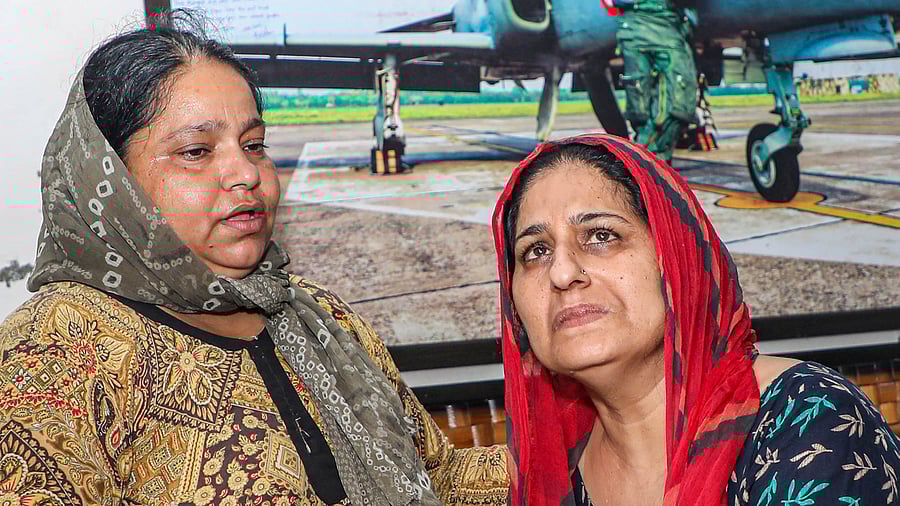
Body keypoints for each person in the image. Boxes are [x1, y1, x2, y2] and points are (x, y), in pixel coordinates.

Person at [0, 12, 507, 506]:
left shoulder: (321, 316)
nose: (246, 173)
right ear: (107, 178)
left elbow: (438, 478)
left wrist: (564, 455)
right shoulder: (55, 351)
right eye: (196, 151)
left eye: (254, 145)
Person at [491, 134, 899, 505]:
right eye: (536, 251)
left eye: (601, 235)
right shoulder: (550, 472)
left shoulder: (808, 418)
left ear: (676, 257)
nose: (562, 272)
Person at [611, 0, 698, 164]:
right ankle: (646, 164)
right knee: (653, 109)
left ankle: (647, 162)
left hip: (666, 25)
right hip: (646, 26)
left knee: (677, 106)